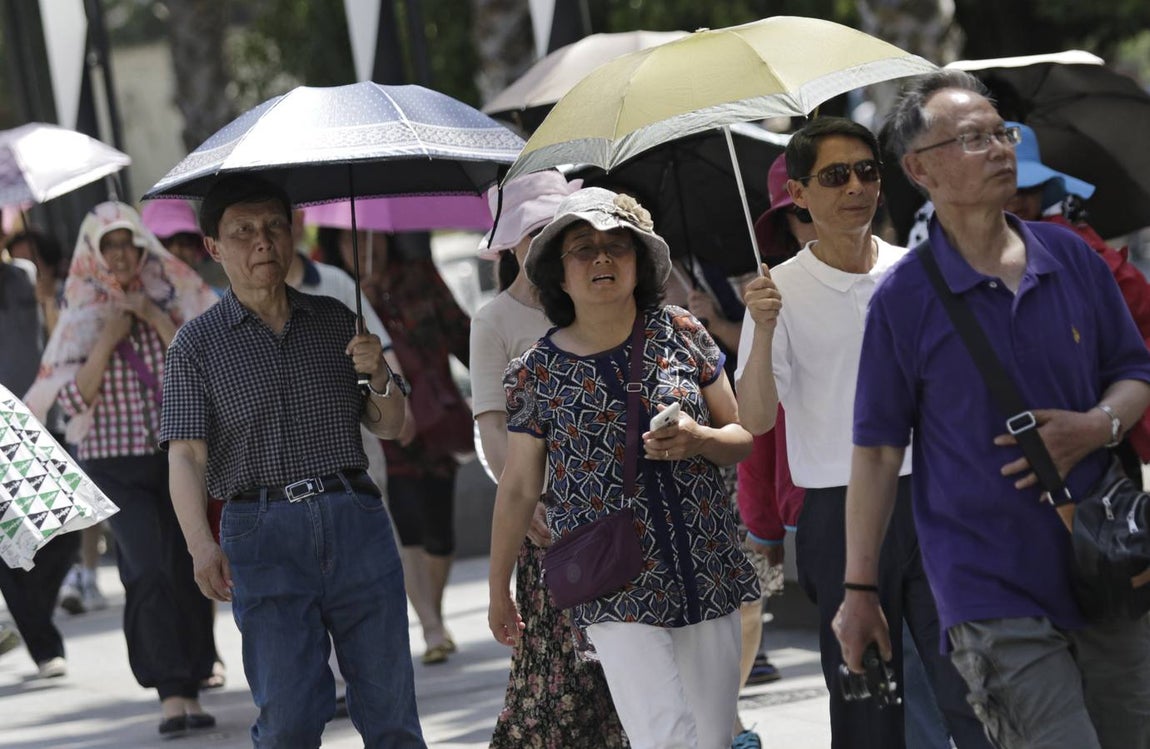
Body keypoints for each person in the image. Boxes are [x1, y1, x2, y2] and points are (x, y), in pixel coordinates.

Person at [835, 69, 1150, 749]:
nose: (1001, 148)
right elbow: (879, 449)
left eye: (1001, 132)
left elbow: (1133, 372)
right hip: (987, 587)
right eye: (973, 138)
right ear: (920, 169)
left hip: (1104, 564)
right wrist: (859, 588)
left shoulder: (1073, 258)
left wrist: (1097, 427)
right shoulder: (903, 301)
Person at [735, 117, 988, 749]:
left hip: (933, 501)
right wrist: (763, 330)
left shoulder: (919, 271)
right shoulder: (778, 291)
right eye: (835, 175)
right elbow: (756, 417)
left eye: (867, 171)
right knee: (866, 696)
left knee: (972, 686)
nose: (856, 187)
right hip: (838, 511)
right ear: (798, 193)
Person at [489, 186, 759, 749]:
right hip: (614, 578)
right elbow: (517, 488)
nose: (603, 258)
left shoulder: (682, 333)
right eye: (583, 248)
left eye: (618, 246)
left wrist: (699, 438)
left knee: (710, 738)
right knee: (664, 737)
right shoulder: (534, 372)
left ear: (641, 262)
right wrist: (498, 590)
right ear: (559, 276)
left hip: (704, 562)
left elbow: (739, 437)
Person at [161, 175, 424, 748]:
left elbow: (391, 424)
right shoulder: (194, 346)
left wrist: (377, 372)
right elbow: (184, 454)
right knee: (289, 719)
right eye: (245, 231)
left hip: (354, 516)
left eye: (275, 227)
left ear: (292, 233)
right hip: (261, 531)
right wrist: (200, 545)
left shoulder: (337, 320)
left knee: (391, 712)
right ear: (214, 247)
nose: (264, 242)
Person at [22, 201, 220, 734]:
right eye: (107, 246)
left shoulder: (176, 294)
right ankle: (171, 692)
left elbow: (206, 363)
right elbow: (72, 402)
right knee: (147, 566)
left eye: (126, 243)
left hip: (177, 454)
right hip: (111, 463)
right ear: (94, 252)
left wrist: (151, 316)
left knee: (190, 565)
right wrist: (109, 334)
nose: (119, 254)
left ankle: (198, 674)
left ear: (140, 246)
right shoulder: (82, 309)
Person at [470, 171, 628, 747]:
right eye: (528, 231)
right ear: (508, 244)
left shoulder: (604, 293)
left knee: (630, 677)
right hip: (551, 525)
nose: (541, 241)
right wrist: (525, 496)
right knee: (557, 683)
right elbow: (491, 424)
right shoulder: (495, 320)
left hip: (622, 507)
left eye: (551, 228)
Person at [316, 226, 471, 666]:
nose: (364, 246)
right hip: (380, 424)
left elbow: (461, 333)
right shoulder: (336, 293)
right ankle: (430, 625)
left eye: (370, 236)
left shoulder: (418, 277)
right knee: (406, 524)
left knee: (440, 533)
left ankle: (432, 611)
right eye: (349, 239)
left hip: (435, 418)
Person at [1002, 121, 1150, 475]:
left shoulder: (1081, 253)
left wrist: (1103, 420)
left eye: (1031, 186)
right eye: (1009, 186)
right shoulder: (935, 265)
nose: (1020, 199)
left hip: (1098, 450)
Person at [0, 251, 81, 680]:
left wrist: (49, 302)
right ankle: (46, 647)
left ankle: (32, 613)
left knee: (68, 528)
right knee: (6, 546)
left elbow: (58, 340)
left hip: (41, 420)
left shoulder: (27, 274)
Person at [140, 198, 229, 290]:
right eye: (164, 242)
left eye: (185, 241)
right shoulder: (130, 302)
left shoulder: (218, 301)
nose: (176, 250)